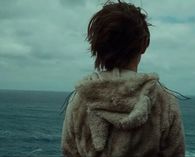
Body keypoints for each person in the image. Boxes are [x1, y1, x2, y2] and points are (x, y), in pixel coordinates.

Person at [61, 0, 185, 157]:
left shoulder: (80, 99)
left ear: (97, 46)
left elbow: (69, 152)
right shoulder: (164, 101)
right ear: (144, 44)